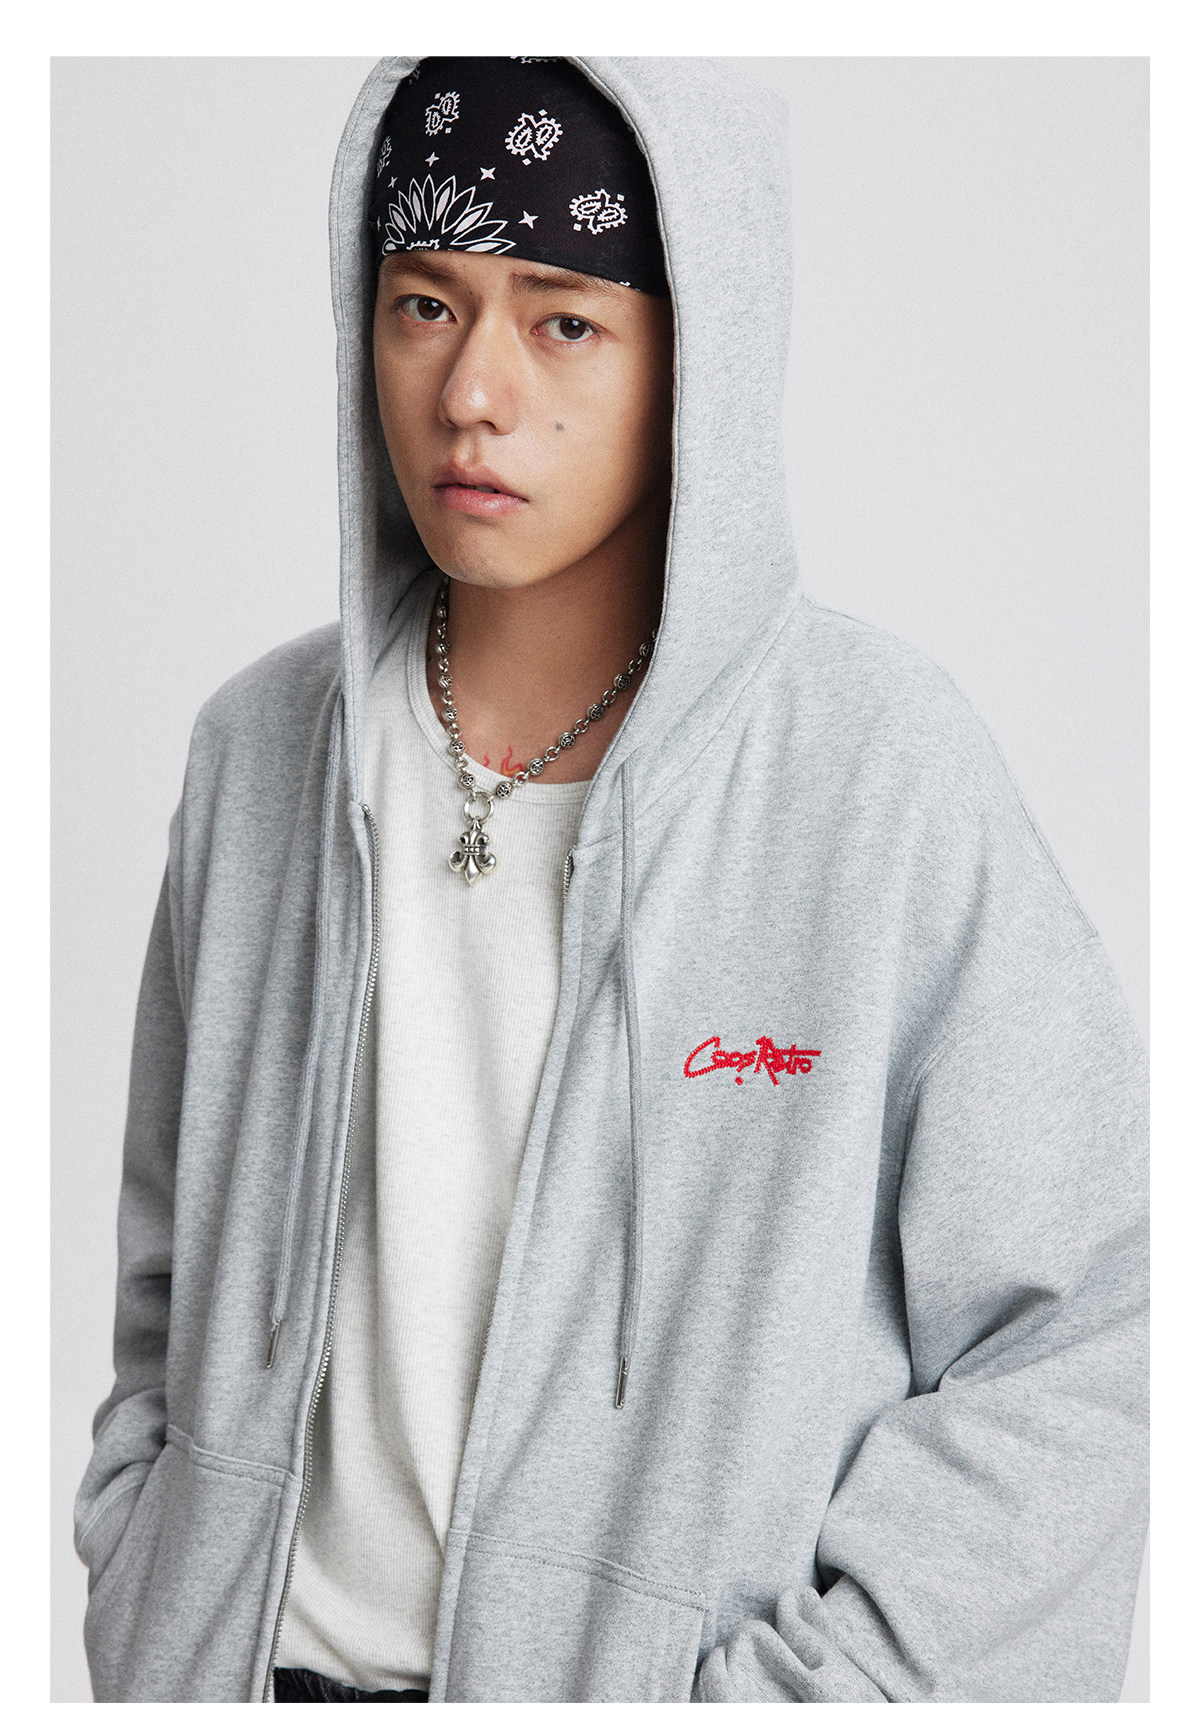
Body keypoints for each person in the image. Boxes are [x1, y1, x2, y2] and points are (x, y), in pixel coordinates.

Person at [74, 56, 1148, 1705]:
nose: (472, 392)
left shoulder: (877, 777)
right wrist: (153, 1573)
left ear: (697, 351)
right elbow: (169, 1294)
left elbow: (1087, 1329)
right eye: (423, 305)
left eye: (564, 320)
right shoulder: (258, 755)